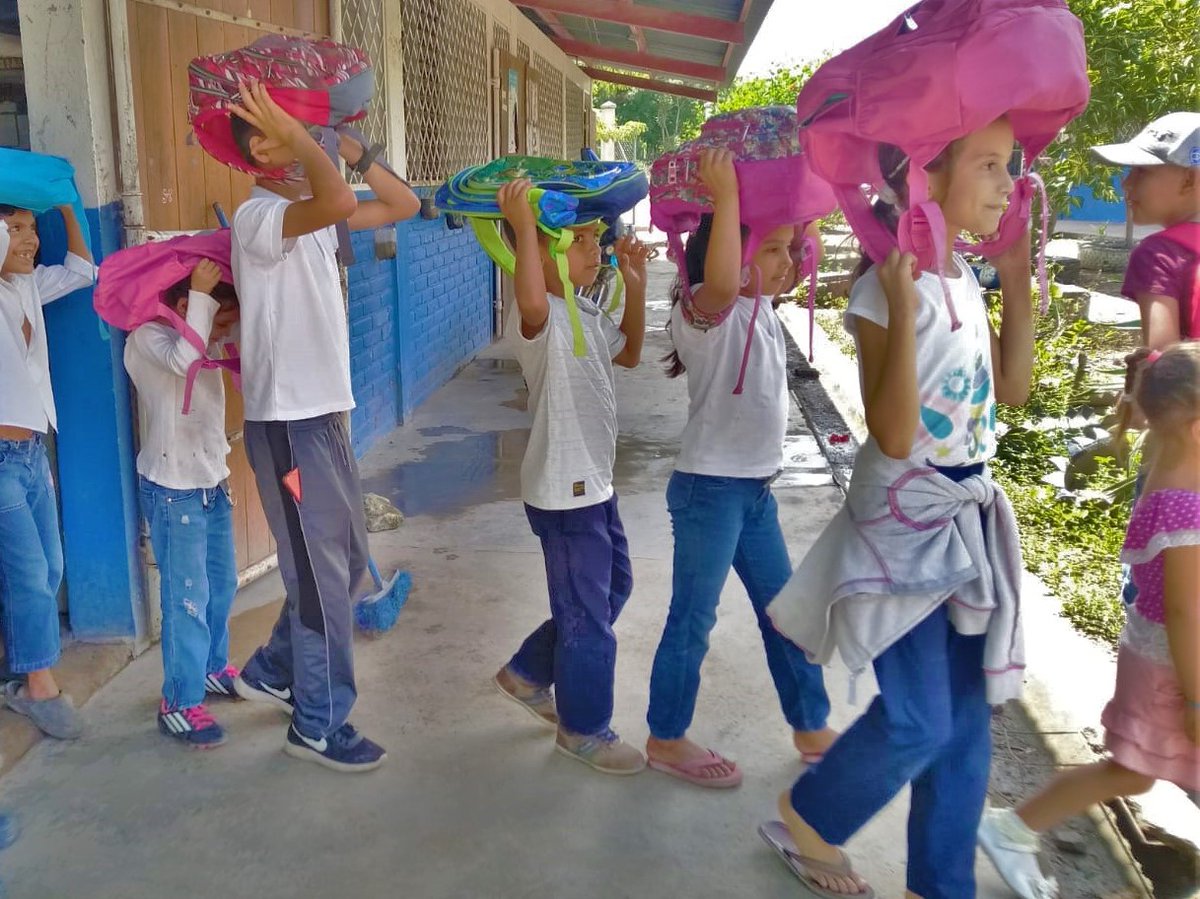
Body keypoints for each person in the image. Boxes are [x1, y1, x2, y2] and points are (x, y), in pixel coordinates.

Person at [762, 118, 1037, 898]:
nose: (1006, 184)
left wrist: (1015, 277)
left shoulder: (965, 280)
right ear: (924, 176)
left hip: (963, 511)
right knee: (918, 717)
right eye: (988, 165)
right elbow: (889, 430)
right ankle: (807, 816)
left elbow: (1011, 389)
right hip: (903, 521)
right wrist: (901, 291)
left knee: (967, 723)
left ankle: (941, 883)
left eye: (1009, 167)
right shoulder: (882, 286)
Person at [225, 80, 420, 773]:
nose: (308, 139)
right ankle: (317, 721)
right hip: (288, 425)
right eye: (288, 127)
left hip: (324, 419)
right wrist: (313, 143)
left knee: (339, 563)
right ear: (259, 146)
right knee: (320, 577)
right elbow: (336, 200)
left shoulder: (311, 213)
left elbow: (404, 204)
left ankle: (275, 670)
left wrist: (353, 147)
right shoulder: (259, 217)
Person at [978, 342, 1200, 899]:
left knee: (1133, 769)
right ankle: (1012, 827)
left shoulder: (1168, 475)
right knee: (1132, 768)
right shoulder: (1184, 508)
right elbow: (1185, 611)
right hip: (1175, 673)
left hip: (1158, 660)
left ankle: (1013, 826)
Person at [645, 148, 834, 788]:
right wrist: (728, 199)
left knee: (787, 615)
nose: (790, 263)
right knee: (693, 620)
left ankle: (811, 726)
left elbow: (786, 262)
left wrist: (800, 222)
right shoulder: (705, 313)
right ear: (731, 249)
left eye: (790, 251)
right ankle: (666, 738)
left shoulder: (761, 310)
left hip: (754, 493)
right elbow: (725, 279)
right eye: (774, 250)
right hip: (709, 492)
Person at [491, 177, 653, 775]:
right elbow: (533, 295)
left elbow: (630, 353)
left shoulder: (582, 308)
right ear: (549, 249)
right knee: (588, 616)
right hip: (564, 492)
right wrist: (526, 226)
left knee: (613, 590)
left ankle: (529, 670)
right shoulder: (540, 317)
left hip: (594, 482)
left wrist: (633, 288)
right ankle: (583, 729)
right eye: (583, 240)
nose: (598, 250)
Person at [124, 260, 241, 747]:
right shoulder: (146, 340)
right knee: (186, 597)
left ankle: (212, 668)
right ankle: (179, 699)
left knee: (222, 583)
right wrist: (200, 296)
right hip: (175, 488)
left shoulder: (201, 340)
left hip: (210, 481)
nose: (221, 330)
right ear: (185, 307)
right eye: (217, 318)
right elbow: (183, 362)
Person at [0, 203, 95, 741]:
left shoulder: (28, 286)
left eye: (31, 229)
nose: (28, 240)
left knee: (48, 569)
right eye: (14, 229)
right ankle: (39, 688)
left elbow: (84, 271)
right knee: (31, 577)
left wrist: (66, 208)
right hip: (1, 463)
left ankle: (20, 672)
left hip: (33, 453)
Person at [1093, 112, 1200, 349]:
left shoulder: (1159, 254)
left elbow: (1163, 360)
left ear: (1189, 181)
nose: (1126, 182)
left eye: (1142, 171)